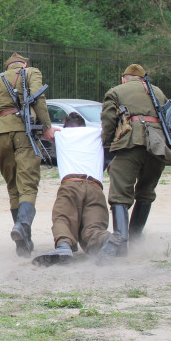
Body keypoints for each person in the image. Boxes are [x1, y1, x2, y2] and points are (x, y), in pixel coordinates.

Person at [0, 53, 55, 257]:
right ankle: (22, 226)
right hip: (25, 133)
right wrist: (47, 126)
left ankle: (23, 244)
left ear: (7, 67)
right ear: (24, 64)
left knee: (13, 186)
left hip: (0, 135)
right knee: (28, 183)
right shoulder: (31, 73)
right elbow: (39, 98)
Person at [32, 112, 123, 266]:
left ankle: (63, 246)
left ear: (66, 126)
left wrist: (51, 131)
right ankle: (105, 239)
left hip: (71, 185)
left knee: (63, 219)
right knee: (93, 228)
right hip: (95, 187)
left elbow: (43, 132)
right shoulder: (97, 133)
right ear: (83, 126)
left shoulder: (61, 133)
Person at [100, 64, 171, 253]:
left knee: (120, 192)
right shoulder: (158, 92)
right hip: (158, 145)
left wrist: (107, 142)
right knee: (146, 192)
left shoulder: (116, 91)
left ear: (124, 79)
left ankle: (120, 242)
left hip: (132, 143)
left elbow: (108, 120)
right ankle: (136, 241)